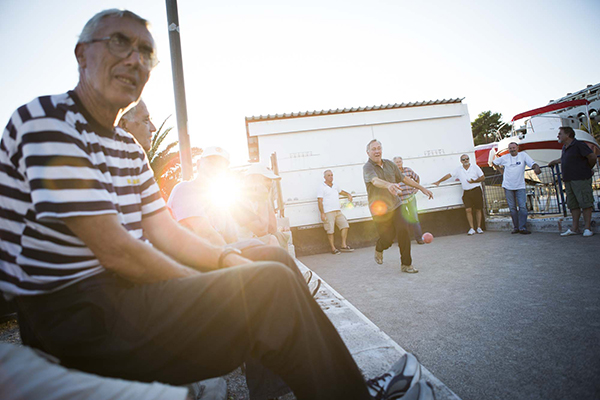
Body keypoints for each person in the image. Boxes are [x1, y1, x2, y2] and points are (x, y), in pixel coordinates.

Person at [0, 9, 419, 400]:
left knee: (271, 258)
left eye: (146, 52)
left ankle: (337, 385)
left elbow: (165, 231)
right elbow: (114, 250)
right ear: (82, 54)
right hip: (75, 316)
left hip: (122, 294)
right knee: (267, 287)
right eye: (119, 43)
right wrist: (212, 284)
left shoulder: (127, 147)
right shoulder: (48, 120)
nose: (135, 59)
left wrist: (225, 260)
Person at [363, 140, 433, 273]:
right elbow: (375, 181)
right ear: (368, 152)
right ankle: (380, 247)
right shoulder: (367, 168)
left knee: (404, 231)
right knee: (387, 239)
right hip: (379, 209)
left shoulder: (390, 164)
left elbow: (404, 178)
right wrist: (388, 184)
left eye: (379, 148)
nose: (377, 151)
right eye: (373, 149)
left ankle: (406, 264)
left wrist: (421, 188)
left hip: (396, 205)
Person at [549, 126, 598, 237]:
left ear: (567, 135)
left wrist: (587, 168)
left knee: (585, 203)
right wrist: (555, 161)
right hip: (568, 180)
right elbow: (565, 159)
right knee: (573, 205)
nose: (558, 136)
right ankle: (574, 228)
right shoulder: (564, 148)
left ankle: (587, 228)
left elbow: (592, 157)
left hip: (580, 179)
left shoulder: (579, 145)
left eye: (560, 133)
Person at [492, 142, 541, 234]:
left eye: (514, 148)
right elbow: (494, 162)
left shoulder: (523, 155)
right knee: (512, 208)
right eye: (510, 148)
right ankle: (516, 227)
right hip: (507, 186)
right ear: (508, 149)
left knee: (522, 207)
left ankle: (522, 228)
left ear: (517, 148)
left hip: (520, 186)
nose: (512, 150)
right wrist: (501, 171)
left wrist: (536, 167)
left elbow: (533, 164)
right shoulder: (505, 157)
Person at [433, 154, 485, 235]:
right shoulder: (458, 169)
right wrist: (439, 181)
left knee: (478, 209)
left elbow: (482, 177)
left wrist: (474, 181)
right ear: (461, 161)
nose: (465, 160)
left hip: (476, 190)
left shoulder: (475, 167)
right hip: (467, 191)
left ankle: (479, 227)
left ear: (469, 159)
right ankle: (472, 228)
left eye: (467, 159)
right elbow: (449, 175)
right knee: (468, 210)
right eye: (463, 159)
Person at [317, 169, 354, 254]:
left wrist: (348, 194)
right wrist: (322, 213)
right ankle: (333, 248)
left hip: (337, 210)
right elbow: (319, 201)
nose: (331, 177)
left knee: (345, 226)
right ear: (324, 177)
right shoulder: (321, 187)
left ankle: (343, 245)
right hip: (328, 211)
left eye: (331, 175)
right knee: (330, 230)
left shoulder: (335, 185)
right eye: (328, 175)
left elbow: (341, 191)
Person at [393, 157, 424, 244]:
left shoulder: (408, 170)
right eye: (396, 162)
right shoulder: (392, 173)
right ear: (394, 164)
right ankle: (403, 240)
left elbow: (417, 178)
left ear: (402, 162)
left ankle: (419, 238)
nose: (398, 163)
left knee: (414, 218)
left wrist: (416, 188)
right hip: (399, 200)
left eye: (400, 161)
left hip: (410, 198)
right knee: (401, 221)